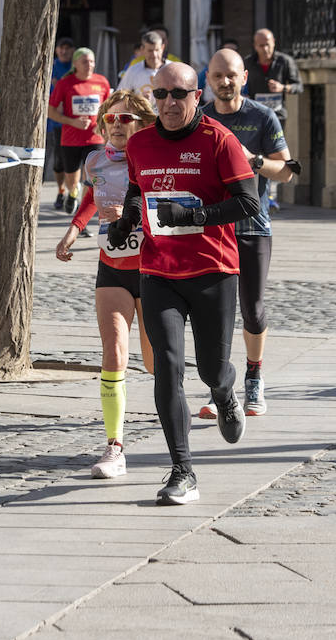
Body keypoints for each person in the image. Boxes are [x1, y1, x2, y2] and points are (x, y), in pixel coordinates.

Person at [107, 62, 260, 505]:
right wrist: (127, 221)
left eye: (179, 94)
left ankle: (224, 389)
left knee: (212, 367)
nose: (169, 103)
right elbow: (138, 189)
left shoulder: (219, 140)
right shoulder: (140, 143)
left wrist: (195, 217)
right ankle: (182, 470)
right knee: (167, 367)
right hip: (158, 272)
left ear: (197, 96)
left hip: (213, 270)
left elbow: (247, 203)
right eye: (161, 95)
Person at [54, 89, 157, 479]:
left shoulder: (153, 159)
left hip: (151, 268)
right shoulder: (95, 159)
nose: (116, 125)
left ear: (143, 123)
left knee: (153, 361)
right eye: (110, 119)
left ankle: (187, 411)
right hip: (110, 266)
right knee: (114, 351)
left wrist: (134, 215)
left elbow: (170, 204)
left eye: (125, 119)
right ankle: (115, 445)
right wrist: (72, 232)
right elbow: (91, 199)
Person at [200, 49, 300, 418]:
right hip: (211, 228)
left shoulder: (262, 116)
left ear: (244, 77)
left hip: (253, 226)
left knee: (252, 310)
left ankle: (254, 376)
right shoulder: (201, 118)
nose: (225, 82)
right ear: (207, 80)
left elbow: (287, 171)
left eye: (231, 75)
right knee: (214, 311)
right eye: (217, 76)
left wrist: (253, 159)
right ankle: (220, 387)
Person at [45, 47, 110, 217]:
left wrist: (102, 125)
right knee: (72, 180)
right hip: (71, 140)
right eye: (84, 61)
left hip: (95, 139)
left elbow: (108, 109)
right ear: (75, 64)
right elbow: (50, 112)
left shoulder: (102, 82)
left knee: (91, 179)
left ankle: (82, 215)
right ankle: (73, 194)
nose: (89, 65)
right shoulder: (65, 83)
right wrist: (72, 121)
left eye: (92, 61)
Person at [242, 29, 302, 125]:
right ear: (255, 46)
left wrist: (283, 88)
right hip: (254, 115)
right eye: (261, 46)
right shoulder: (248, 63)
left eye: (267, 44)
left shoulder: (285, 61)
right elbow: (240, 84)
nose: (265, 49)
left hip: (277, 115)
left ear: (273, 42)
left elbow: (298, 86)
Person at [46, 37, 74, 209]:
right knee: (58, 162)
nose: (64, 51)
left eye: (67, 48)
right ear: (56, 50)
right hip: (54, 122)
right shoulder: (51, 66)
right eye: (61, 48)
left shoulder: (76, 68)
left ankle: (73, 193)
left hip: (74, 122)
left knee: (71, 160)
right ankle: (61, 190)